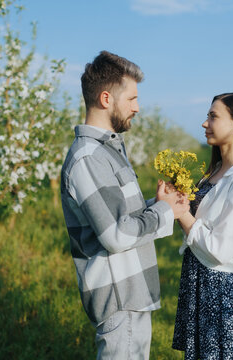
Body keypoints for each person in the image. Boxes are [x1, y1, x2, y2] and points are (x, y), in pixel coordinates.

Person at [60, 50, 190, 360]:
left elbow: (119, 216)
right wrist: (164, 212)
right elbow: (117, 234)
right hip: (119, 298)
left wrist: (160, 204)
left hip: (131, 294)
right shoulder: (89, 158)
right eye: (131, 99)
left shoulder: (108, 151)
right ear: (106, 99)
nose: (138, 107)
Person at [172, 93, 233, 359]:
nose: (205, 123)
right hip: (201, 283)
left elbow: (220, 250)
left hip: (220, 291)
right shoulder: (214, 172)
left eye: (213, 116)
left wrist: (181, 214)